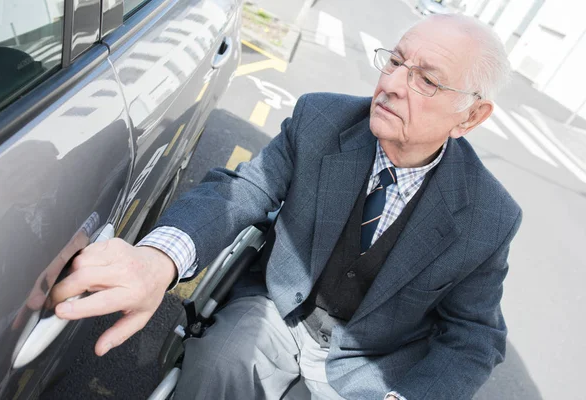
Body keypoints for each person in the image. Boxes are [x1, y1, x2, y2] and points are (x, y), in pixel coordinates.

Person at [51, 14, 522, 400]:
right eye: (396, 61)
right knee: (217, 368)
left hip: (371, 369)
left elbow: (474, 337)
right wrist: (159, 258)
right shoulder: (322, 120)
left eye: (427, 81)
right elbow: (245, 188)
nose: (394, 84)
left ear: (472, 116)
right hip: (277, 313)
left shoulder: (489, 217)